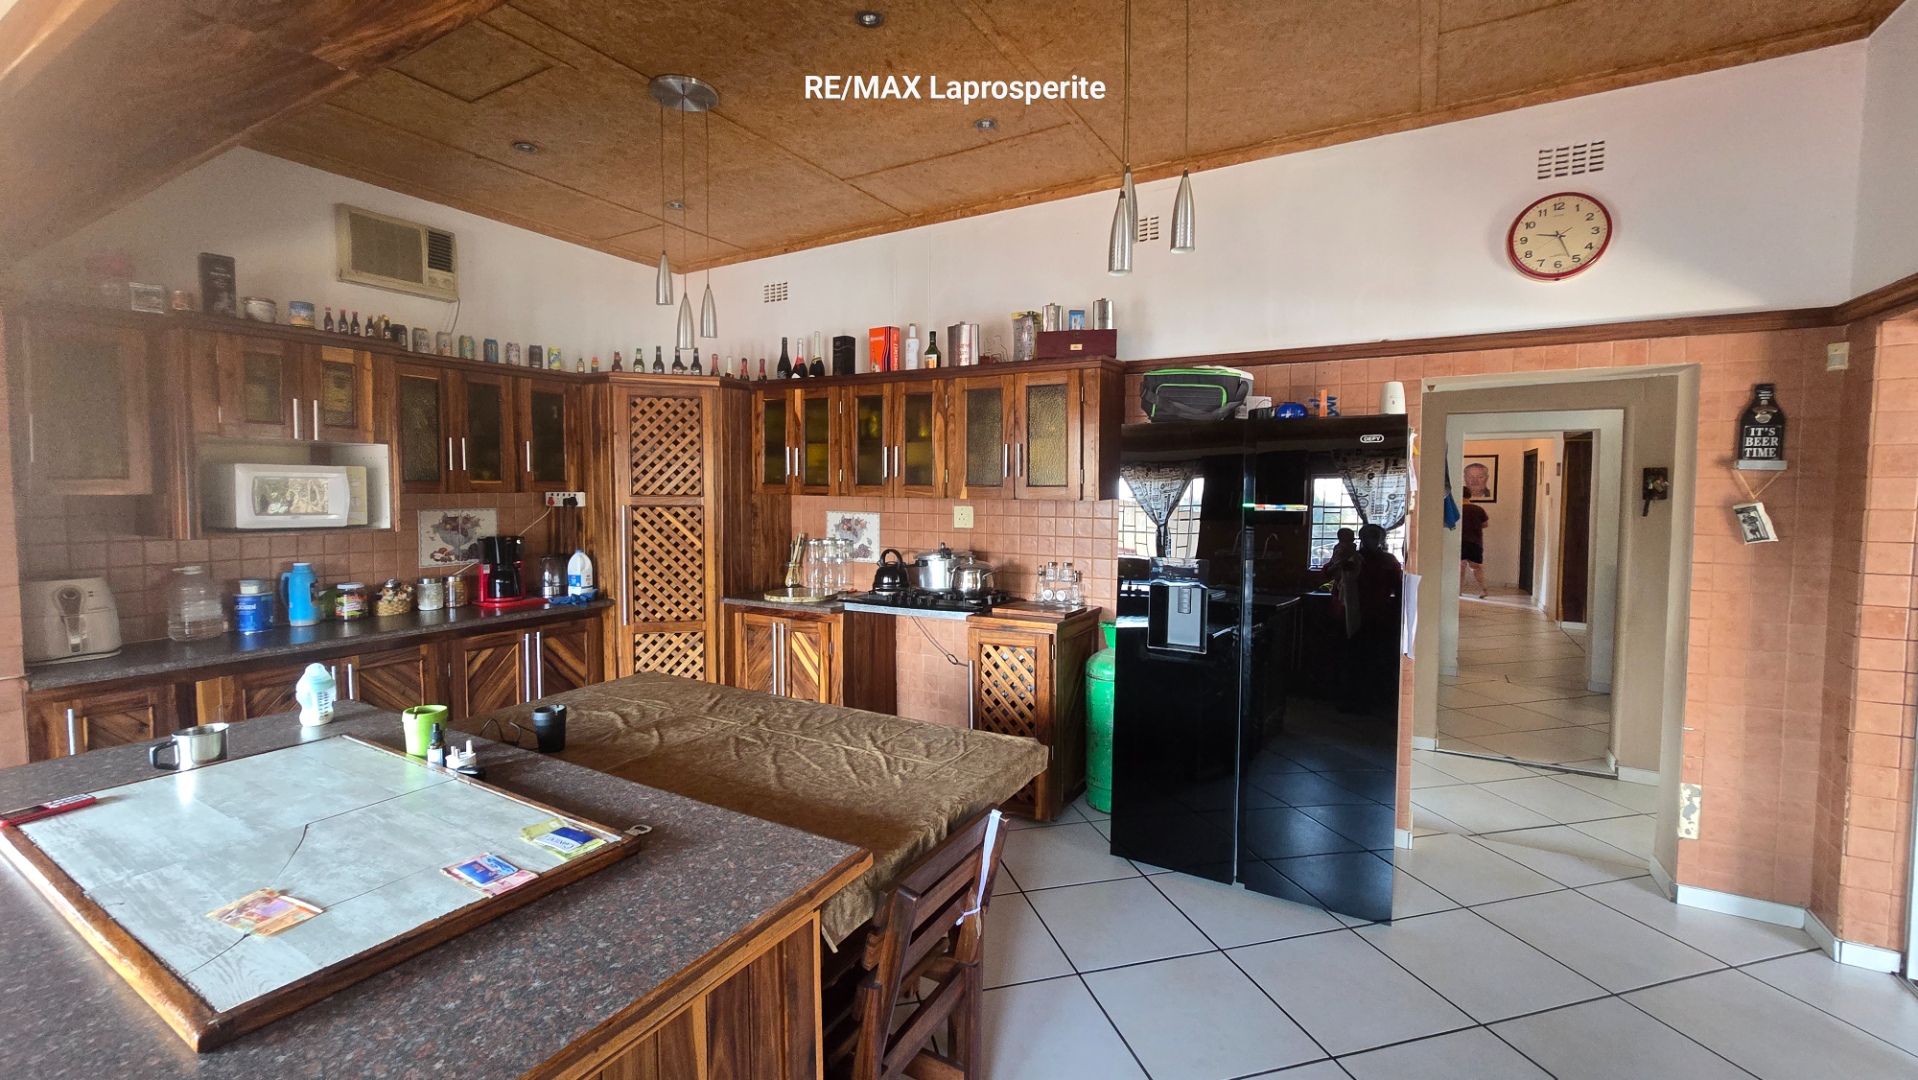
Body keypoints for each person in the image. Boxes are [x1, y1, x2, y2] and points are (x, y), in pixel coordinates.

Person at [1341, 524, 1404, 712]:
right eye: (1367, 536)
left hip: (1381, 615)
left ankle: (1377, 702)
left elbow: (1398, 586)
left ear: (1381, 539)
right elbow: (1336, 576)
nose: (1371, 540)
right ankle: (1355, 701)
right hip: (1356, 614)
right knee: (1356, 659)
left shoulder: (1389, 560)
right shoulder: (1354, 559)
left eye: (1374, 536)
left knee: (1379, 659)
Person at [1459, 494, 1489, 599]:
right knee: (1476, 566)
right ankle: (1483, 589)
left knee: (1461, 565)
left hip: (1461, 541)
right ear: (1469, 496)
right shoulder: (1478, 509)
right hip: (1476, 541)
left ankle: (1458, 590)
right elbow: (1485, 524)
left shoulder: (1459, 509)